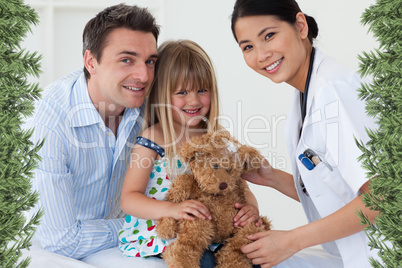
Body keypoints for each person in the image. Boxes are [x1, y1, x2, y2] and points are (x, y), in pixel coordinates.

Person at [230, 0, 380, 267]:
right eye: (248, 47)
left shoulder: (333, 91)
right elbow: (335, 190)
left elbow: (383, 196)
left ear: (300, 26)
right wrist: (272, 178)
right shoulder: (305, 95)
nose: (262, 54)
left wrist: (291, 241)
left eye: (269, 35)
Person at [30, 4, 159, 259]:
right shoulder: (48, 118)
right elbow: (60, 241)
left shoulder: (152, 104)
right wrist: (141, 224)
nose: (143, 76)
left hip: (123, 242)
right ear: (91, 62)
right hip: (47, 247)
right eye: (126, 60)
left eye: (150, 61)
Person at [118, 39, 263, 267]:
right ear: (162, 95)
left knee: (250, 255)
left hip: (212, 231)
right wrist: (173, 209)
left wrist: (251, 208)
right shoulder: (152, 139)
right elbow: (129, 199)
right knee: (202, 261)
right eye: (182, 92)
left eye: (202, 90)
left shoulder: (216, 138)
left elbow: (239, 186)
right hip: (165, 231)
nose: (194, 100)